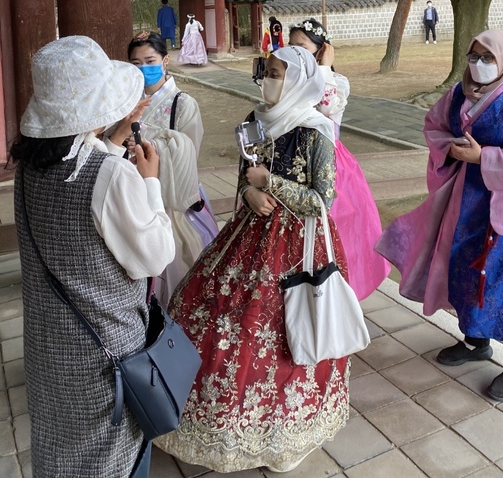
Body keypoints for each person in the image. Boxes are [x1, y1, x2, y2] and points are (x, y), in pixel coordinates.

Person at [155, 46, 350, 473]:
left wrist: (272, 183)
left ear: (298, 79)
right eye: (267, 71)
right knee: (215, 314)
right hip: (247, 233)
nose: (268, 80)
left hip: (298, 245)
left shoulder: (315, 131)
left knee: (284, 330)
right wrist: (248, 190)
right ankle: (216, 424)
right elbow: (246, 173)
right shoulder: (254, 121)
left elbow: (321, 201)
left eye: (278, 73)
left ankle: (284, 434)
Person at [12, 35, 175, 478]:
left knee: (63, 454)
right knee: (115, 459)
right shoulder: (113, 176)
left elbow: (77, 181)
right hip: (107, 358)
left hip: (51, 349)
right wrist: (150, 182)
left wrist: (112, 139)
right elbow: (155, 257)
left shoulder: (29, 168)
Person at [376, 30, 503, 402]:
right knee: (467, 268)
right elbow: (434, 127)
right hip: (467, 204)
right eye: (473, 55)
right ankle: (476, 339)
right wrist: (451, 148)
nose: (478, 64)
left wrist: (485, 158)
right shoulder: (459, 94)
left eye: (488, 57)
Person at [105, 32, 218, 306]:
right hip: (131, 191)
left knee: (174, 264)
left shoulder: (183, 104)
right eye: (136, 63)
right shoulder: (125, 103)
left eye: (150, 60)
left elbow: (188, 153)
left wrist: (151, 146)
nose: (144, 68)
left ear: (165, 60)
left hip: (170, 197)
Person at [289, 18, 390, 299]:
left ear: (321, 50)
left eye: (302, 47)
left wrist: (322, 68)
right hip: (292, 163)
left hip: (331, 166)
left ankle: (339, 294)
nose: (295, 53)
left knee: (338, 231)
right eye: (291, 46)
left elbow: (325, 105)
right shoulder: (286, 80)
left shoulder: (337, 82)